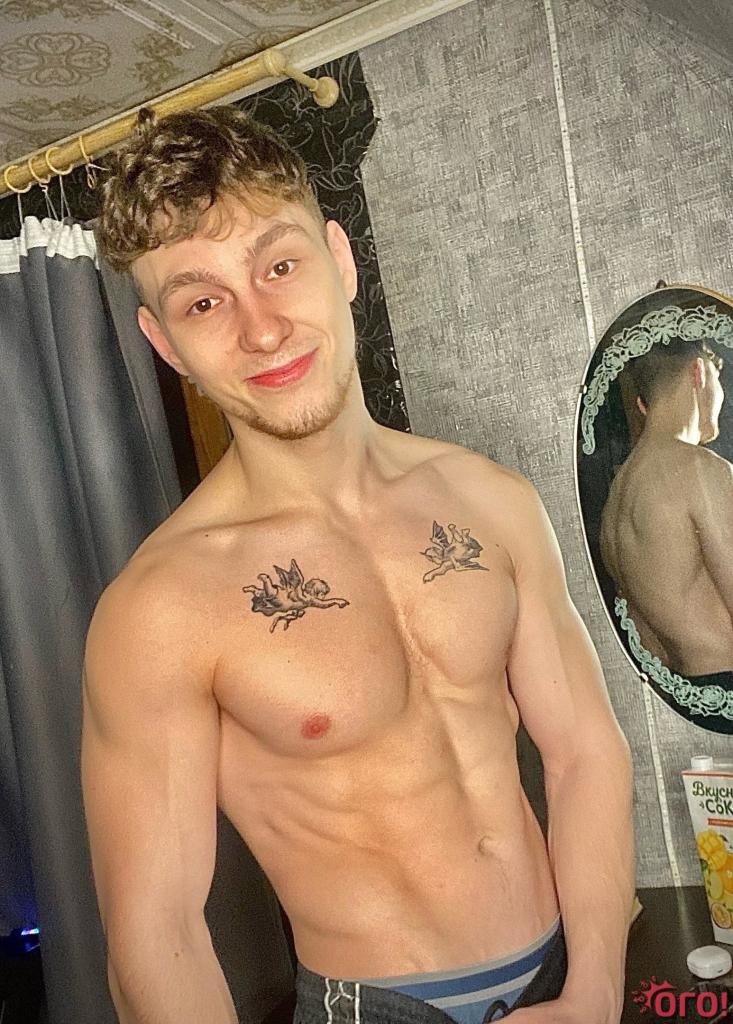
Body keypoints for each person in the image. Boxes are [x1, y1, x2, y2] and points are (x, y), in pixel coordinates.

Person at [81, 104, 635, 1024]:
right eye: (203, 302)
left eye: (279, 266)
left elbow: (584, 752)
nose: (262, 330)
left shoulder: (491, 502)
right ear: (165, 344)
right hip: (374, 1006)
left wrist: (595, 995)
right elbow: (155, 936)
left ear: (340, 261)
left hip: (566, 972)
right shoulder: (163, 605)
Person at [601, 337, 733, 683]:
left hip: (683, 694)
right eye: (719, 380)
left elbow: (648, 644)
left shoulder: (616, 499)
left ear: (642, 405)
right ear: (699, 373)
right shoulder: (699, 469)